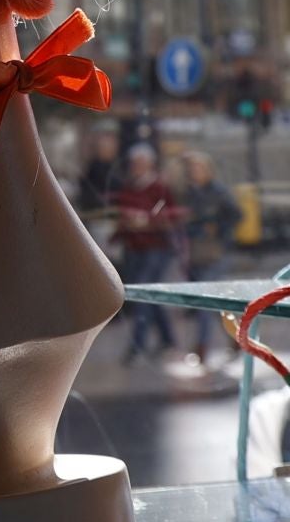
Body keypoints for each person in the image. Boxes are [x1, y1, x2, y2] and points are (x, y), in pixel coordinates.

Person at [111, 143, 185, 363]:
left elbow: (173, 214)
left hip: (157, 247)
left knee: (143, 293)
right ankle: (168, 339)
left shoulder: (160, 187)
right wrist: (117, 235)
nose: (136, 167)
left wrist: (147, 220)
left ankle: (137, 345)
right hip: (134, 247)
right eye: (134, 163)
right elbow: (122, 215)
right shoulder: (128, 187)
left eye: (141, 163)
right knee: (149, 295)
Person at [181, 150, 240, 361]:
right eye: (192, 169)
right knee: (215, 304)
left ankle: (202, 347)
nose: (195, 173)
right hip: (197, 252)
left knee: (206, 300)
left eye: (199, 168)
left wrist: (218, 228)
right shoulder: (189, 194)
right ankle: (236, 336)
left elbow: (236, 215)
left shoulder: (219, 192)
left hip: (216, 252)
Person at [77, 124, 122, 214]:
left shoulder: (117, 167)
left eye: (114, 142)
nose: (113, 146)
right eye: (107, 143)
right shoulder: (93, 170)